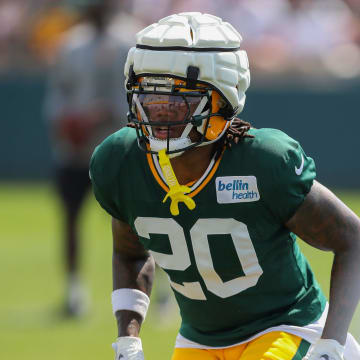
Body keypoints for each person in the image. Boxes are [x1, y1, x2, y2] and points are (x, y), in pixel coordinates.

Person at [89, 12, 360, 360]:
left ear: (222, 98)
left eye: (176, 101)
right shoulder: (120, 161)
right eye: (149, 98)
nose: (158, 113)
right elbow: (130, 252)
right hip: (200, 340)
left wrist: (332, 344)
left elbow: (352, 238)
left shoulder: (263, 162)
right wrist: (128, 340)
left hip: (286, 327)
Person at [44, 0, 130, 316]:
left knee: (140, 221)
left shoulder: (130, 41)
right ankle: (74, 291)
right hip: (77, 150)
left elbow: (138, 95)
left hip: (121, 147)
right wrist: (65, 123)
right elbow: (57, 93)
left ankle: (157, 290)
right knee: (70, 218)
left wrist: (106, 114)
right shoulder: (71, 43)